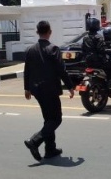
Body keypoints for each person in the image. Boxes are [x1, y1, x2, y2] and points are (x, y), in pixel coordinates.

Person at [23, 20, 75, 161]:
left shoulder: (30, 50)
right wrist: (70, 86)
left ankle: (50, 149)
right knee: (56, 119)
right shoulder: (53, 49)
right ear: (50, 32)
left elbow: (26, 71)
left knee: (48, 119)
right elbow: (61, 70)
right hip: (50, 89)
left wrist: (27, 88)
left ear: (37, 32)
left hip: (37, 90)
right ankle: (34, 141)